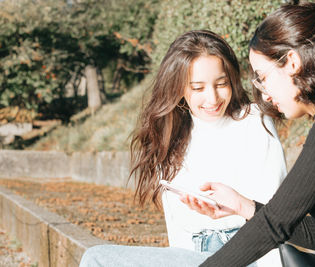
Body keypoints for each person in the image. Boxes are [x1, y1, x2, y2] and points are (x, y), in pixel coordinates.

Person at [188, 3, 315, 266]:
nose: (264, 92)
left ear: (291, 63)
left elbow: (276, 223)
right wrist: (244, 206)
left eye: (263, 76)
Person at [79, 30, 287, 267]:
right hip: (192, 256)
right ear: (179, 88)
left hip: (246, 255)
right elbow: (178, 232)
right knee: (97, 258)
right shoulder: (171, 133)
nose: (212, 98)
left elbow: (275, 215)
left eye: (221, 84)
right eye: (198, 88)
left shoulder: (254, 120)